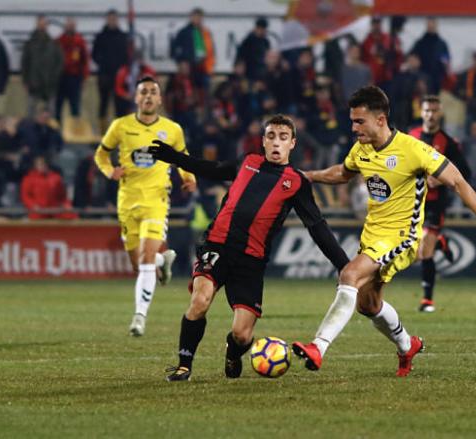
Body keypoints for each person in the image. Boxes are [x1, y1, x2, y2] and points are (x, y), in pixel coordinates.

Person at [292, 86, 476, 376]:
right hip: (373, 235)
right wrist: (307, 176)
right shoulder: (362, 148)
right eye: (352, 121)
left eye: (359, 121)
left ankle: (318, 346)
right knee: (368, 304)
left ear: (380, 120)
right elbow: (342, 172)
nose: (353, 128)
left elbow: (457, 181)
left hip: (403, 237)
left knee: (349, 275)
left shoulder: (413, 150)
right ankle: (407, 345)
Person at [145, 114, 350, 381]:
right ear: (263, 141)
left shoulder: (296, 182)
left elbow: (317, 226)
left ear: (293, 144)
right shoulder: (248, 162)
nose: (277, 143)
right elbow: (212, 168)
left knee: (243, 334)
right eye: (271, 136)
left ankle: (233, 351)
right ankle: (184, 364)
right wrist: (175, 157)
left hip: (251, 261)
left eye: (283, 137)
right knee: (199, 300)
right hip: (217, 246)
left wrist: (344, 265)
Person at [94, 76, 197, 336]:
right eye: (144, 92)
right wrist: (109, 171)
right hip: (127, 202)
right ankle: (164, 260)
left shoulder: (172, 129)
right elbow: (101, 154)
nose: (149, 96)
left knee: (145, 258)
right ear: (136, 98)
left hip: (156, 200)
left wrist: (188, 178)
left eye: (153, 92)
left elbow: (183, 158)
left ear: (160, 99)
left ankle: (139, 317)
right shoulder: (121, 126)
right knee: (138, 265)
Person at [409, 95, 471, 312]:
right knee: (413, 254)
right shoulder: (411, 137)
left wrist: (441, 177)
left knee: (425, 248)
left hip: (435, 204)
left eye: (434, 111)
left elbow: (465, 172)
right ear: (421, 112)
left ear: (440, 113)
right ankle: (440, 242)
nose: (430, 115)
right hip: (412, 202)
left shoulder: (448, 142)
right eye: (427, 110)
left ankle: (427, 300)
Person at [92, 9, 129, 131]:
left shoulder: (123, 37)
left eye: (114, 19)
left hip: (120, 77)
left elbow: (127, 56)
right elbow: (94, 54)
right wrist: (103, 64)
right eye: (110, 18)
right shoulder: (100, 37)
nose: (112, 21)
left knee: (120, 105)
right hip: (104, 76)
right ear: (107, 20)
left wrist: (123, 72)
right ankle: (103, 132)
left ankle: (120, 131)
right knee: (103, 104)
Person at [21, 14, 63, 117]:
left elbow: (60, 62)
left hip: (50, 84)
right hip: (33, 84)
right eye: (40, 24)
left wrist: (54, 77)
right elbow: (24, 63)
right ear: (36, 24)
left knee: (51, 113)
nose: (42, 26)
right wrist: (26, 81)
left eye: (44, 24)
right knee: (31, 112)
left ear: (47, 26)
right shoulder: (29, 43)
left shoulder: (54, 44)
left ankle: (50, 133)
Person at [170, 8, 215, 101]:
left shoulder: (205, 32)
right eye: (195, 17)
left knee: (203, 96)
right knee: (189, 93)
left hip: (203, 68)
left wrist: (210, 67)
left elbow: (210, 50)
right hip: (190, 68)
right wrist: (181, 61)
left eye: (199, 17)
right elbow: (175, 50)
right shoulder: (184, 32)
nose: (197, 19)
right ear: (191, 17)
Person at [20, 155, 77, 220]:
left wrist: (67, 205)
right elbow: (26, 196)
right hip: (38, 212)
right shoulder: (29, 179)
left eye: (44, 164)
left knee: (71, 216)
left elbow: (62, 196)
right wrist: (33, 205)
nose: (42, 166)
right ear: (35, 166)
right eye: (39, 164)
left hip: (54, 211)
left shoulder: (56, 178)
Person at [56, 17, 89, 122]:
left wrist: (84, 78)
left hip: (74, 78)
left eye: (72, 25)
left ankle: (75, 134)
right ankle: (56, 134)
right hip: (60, 78)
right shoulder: (58, 41)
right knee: (57, 107)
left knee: (75, 108)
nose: (70, 27)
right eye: (68, 25)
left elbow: (85, 61)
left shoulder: (80, 42)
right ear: (65, 27)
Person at [410, 18, 450, 95]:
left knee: (434, 103)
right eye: (429, 26)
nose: (431, 27)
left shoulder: (442, 44)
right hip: (422, 80)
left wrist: (445, 66)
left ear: (436, 27)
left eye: (433, 26)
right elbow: (412, 57)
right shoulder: (420, 43)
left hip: (437, 80)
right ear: (427, 27)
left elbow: (446, 59)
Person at [235, 17, 270, 81]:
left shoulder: (265, 41)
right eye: (261, 28)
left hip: (262, 73)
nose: (263, 31)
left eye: (264, 29)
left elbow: (268, 56)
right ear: (256, 28)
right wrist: (239, 64)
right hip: (250, 72)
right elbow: (241, 54)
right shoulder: (248, 40)